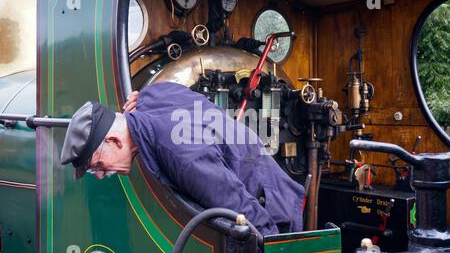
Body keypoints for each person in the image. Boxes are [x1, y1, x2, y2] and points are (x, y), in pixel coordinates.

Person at [60, 82, 305, 236]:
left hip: (272, 209)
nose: (102, 174)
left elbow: (238, 206)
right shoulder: (152, 94)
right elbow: (172, 92)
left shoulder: (181, 156)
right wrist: (142, 95)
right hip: (270, 185)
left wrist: (275, 249)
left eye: (98, 165)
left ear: (114, 141)